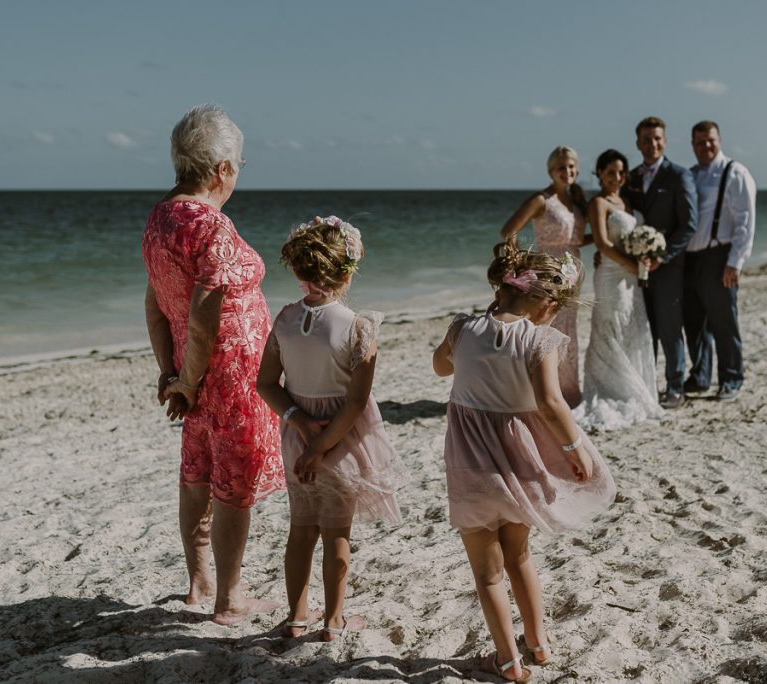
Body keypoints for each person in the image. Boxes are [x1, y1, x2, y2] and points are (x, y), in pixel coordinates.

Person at [433, 243, 616, 682]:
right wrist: (576, 450)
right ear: (548, 305)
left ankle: (508, 661)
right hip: (517, 466)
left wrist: (463, 341)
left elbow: (440, 367)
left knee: (488, 572)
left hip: (470, 466)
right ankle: (538, 643)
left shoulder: (463, 328)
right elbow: (551, 404)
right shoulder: (540, 339)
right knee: (520, 556)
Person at [143, 104, 284, 625]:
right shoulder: (211, 227)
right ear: (222, 168)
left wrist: (172, 374)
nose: (237, 174)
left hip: (192, 370)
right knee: (232, 485)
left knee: (198, 474)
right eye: (239, 164)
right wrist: (186, 377)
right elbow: (204, 319)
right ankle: (229, 597)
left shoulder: (160, 218)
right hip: (229, 376)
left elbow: (155, 304)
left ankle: (199, 580)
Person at [257, 215, 402, 641]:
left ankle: (296, 616)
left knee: (301, 528)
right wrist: (321, 444)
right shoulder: (359, 326)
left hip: (296, 434)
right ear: (348, 270)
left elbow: (266, 383)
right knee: (337, 531)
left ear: (300, 269)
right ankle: (333, 620)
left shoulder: (283, 318)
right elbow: (355, 402)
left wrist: (298, 420)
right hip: (341, 437)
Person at [580, 149, 666, 429]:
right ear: (600, 174)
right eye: (610, 173)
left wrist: (645, 258)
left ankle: (629, 388)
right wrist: (632, 264)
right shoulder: (599, 203)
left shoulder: (627, 203)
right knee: (610, 328)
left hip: (632, 277)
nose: (616, 178)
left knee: (631, 328)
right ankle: (608, 389)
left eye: (620, 172)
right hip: (611, 274)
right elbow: (603, 244)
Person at [499, 146, 588, 408]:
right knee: (546, 330)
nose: (567, 171)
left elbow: (578, 240)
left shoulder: (575, 202)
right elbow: (508, 232)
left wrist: (607, 247)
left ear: (577, 169)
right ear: (551, 171)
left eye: (571, 166)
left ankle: (568, 392)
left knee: (569, 331)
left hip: (573, 273)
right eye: (561, 167)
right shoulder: (541, 200)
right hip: (548, 275)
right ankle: (543, 392)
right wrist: (520, 267)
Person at [622, 117, 698, 409]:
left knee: (669, 327)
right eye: (646, 139)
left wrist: (662, 256)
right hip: (635, 268)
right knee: (643, 328)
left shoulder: (679, 176)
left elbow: (688, 225)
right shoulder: (630, 178)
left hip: (668, 267)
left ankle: (675, 387)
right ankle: (647, 386)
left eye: (657, 138)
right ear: (638, 143)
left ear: (664, 141)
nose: (652, 144)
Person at [683, 121, 757, 401]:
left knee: (724, 321)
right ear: (692, 145)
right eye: (700, 142)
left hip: (718, 256)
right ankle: (701, 376)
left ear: (720, 140)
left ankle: (731, 378)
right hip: (691, 258)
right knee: (694, 323)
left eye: (710, 140)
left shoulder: (734, 172)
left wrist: (735, 262)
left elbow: (745, 221)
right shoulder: (690, 175)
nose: (706, 146)